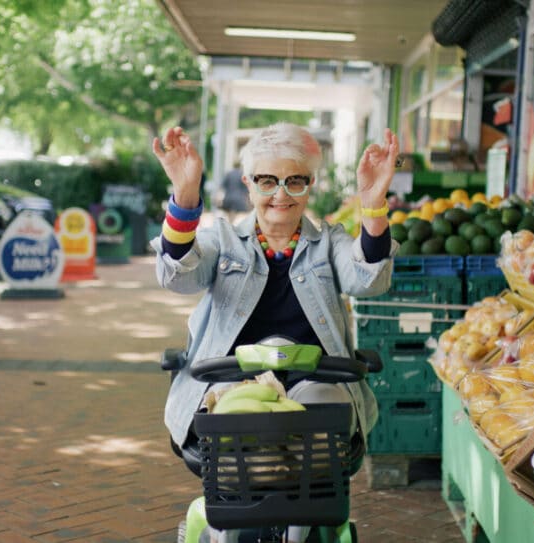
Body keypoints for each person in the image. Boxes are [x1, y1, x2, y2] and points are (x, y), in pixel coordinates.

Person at [151, 123, 399, 534]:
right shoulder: (224, 241)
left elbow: (368, 280)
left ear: (309, 185)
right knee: (236, 440)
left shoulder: (330, 242)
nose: (280, 194)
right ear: (248, 185)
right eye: (267, 181)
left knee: (320, 427)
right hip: (230, 385)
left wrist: (373, 204)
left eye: (294, 182)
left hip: (313, 383)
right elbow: (178, 275)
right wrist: (186, 193)